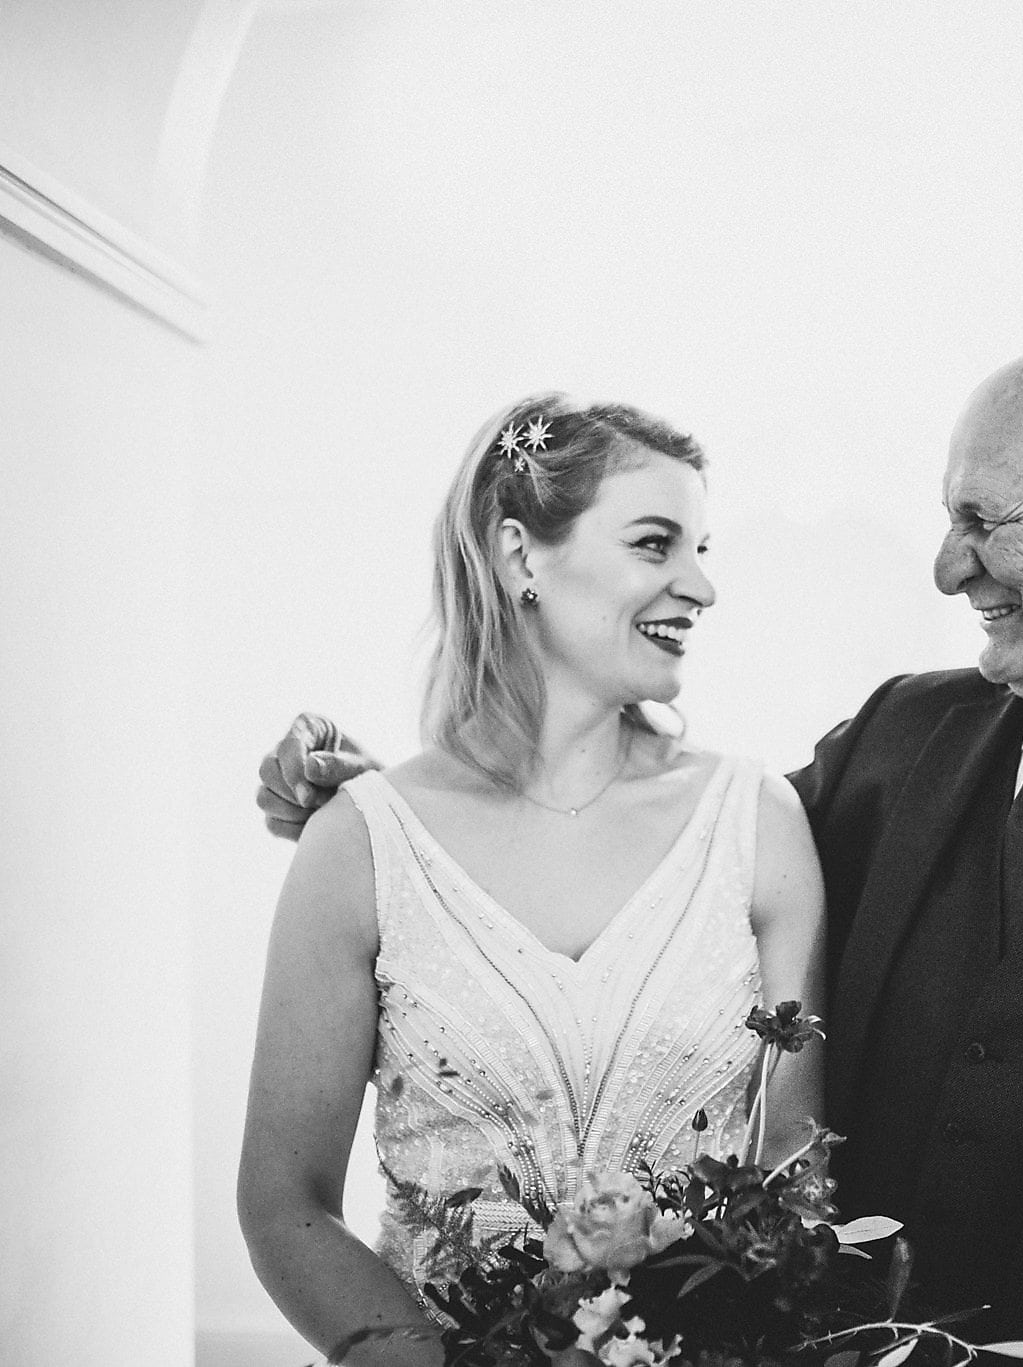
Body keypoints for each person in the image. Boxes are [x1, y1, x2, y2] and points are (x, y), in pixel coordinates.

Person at [261, 337, 1023, 1366]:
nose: (947, 565)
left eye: (982, 520)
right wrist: (386, 822)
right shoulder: (897, 745)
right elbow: (639, 870)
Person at [238, 395, 826, 1365]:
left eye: (702, 549)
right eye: (655, 543)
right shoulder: (359, 843)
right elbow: (281, 1197)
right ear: (519, 557)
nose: (699, 586)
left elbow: (789, 1172)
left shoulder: (754, 824)